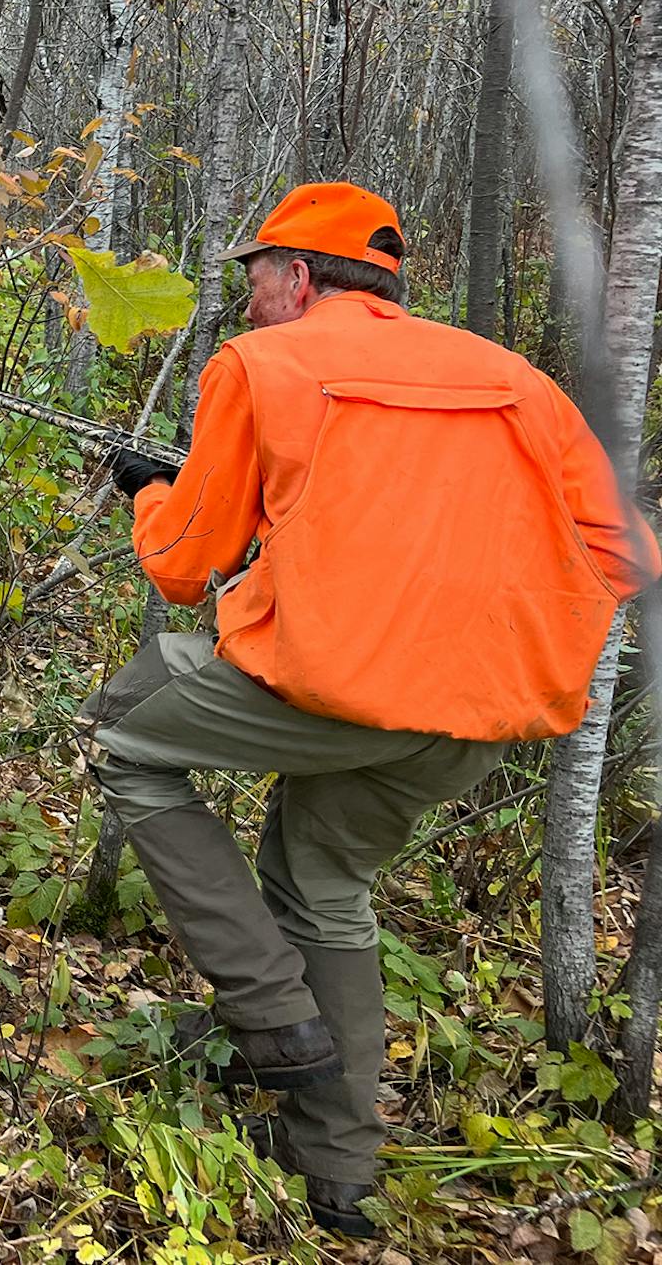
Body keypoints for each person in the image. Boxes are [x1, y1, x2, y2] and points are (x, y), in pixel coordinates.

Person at [85, 180, 660, 1237]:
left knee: (130, 730)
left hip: (337, 689)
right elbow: (630, 553)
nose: (251, 301)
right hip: (479, 718)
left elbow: (180, 567)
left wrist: (149, 494)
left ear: (298, 277)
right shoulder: (515, 381)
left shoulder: (262, 364)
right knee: (325, 882)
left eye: (256, 279)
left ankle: (269, 1013)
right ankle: (342, 1171)